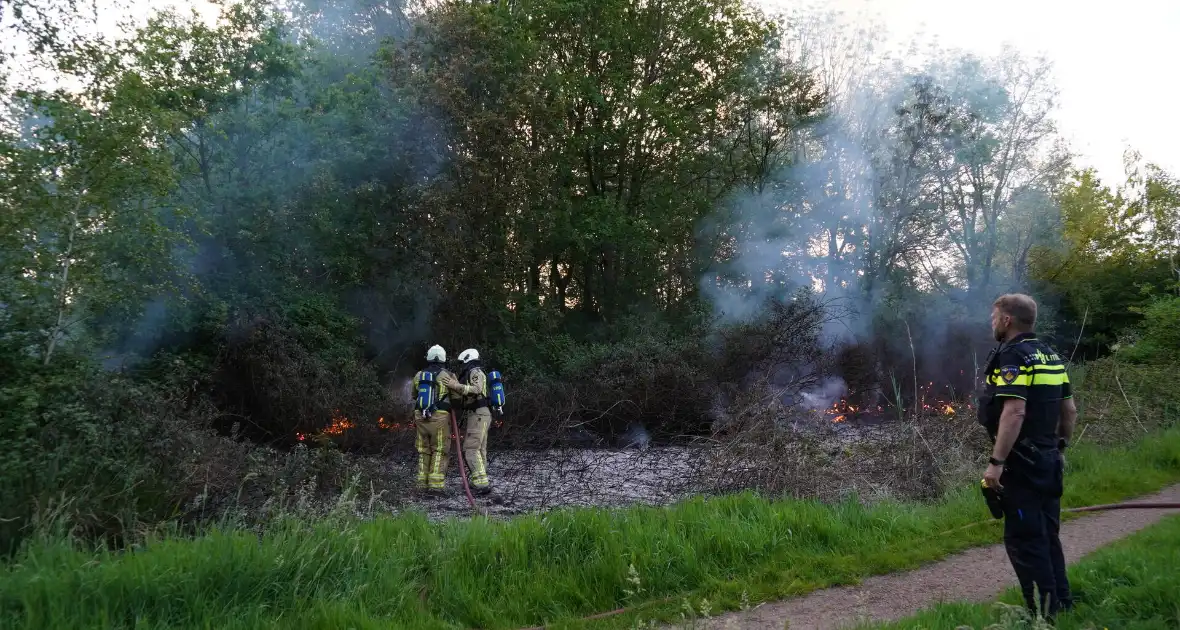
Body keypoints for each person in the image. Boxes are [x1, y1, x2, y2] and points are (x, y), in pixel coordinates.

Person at [977, 293, 1078, 622]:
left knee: (1025, 540)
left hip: (1022, 465)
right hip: (1048, 460)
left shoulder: (1014, 357)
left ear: (1007, 320)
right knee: (1047, 536)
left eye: (995, 317)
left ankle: (1043, 616)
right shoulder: (1050, 356)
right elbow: (1069, 410)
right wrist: (1058, 448)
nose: (992, 322)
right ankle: (1062, 606)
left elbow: (1014, 411)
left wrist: (996, 463)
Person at [441, 348, 493, 495]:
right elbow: (466, 396)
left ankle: (481, 485)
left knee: (470, 449)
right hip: (480, 414)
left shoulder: (475, 372)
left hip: (478, 414)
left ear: (467, 359)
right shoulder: (472, 372)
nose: (461, 366)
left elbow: (476, 390)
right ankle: (481, 482)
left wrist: (455, 385)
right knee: (479, 449)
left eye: (462, 362)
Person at [411, 344, 456, 493]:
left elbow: (413, 395)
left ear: (429, 358)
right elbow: (456, 396)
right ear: (443, 358)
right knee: (440, 449)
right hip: (440, 418)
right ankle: (435, 486)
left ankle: (421, 484)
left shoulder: (419, 375)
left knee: (423, 450)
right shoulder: (448, 375)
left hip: (420, 416)